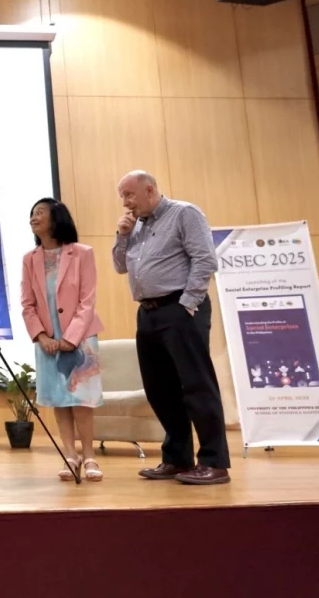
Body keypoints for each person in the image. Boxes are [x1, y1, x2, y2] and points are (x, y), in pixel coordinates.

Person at [112, 170, 230, 485]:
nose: (125, 203)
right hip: (148, 313)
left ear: (149, 189)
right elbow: (120, 266)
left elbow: (205, 260)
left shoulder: (184, 213)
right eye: (122, 196)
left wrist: (187, 305)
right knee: (160, 390)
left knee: (196, 385)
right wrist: (122, 236)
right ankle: (177, 459)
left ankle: (214, 463)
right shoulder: (135, 225)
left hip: (180, 309)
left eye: (129, 195)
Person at [21, 198, 105, 482]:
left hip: (81, 338)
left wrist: (70, 337)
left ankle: (90, 455)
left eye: (40, 213)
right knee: (59, 398)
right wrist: (41, 336)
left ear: (57, 218)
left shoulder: (82, 253)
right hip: (47, 341)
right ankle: (70, 455)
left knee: (81, 398)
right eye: (32, 213)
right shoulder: (29, 259)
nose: (34, 217)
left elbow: (87, 300)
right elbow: (27, 304)